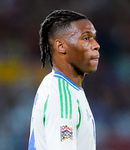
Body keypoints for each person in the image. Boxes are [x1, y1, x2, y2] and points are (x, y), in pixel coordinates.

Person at [28, 9, 100, 150]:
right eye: (86, 38)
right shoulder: (62, 95)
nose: (96, 45)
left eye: (94, 38)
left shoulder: (63, 87)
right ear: (61, 46)